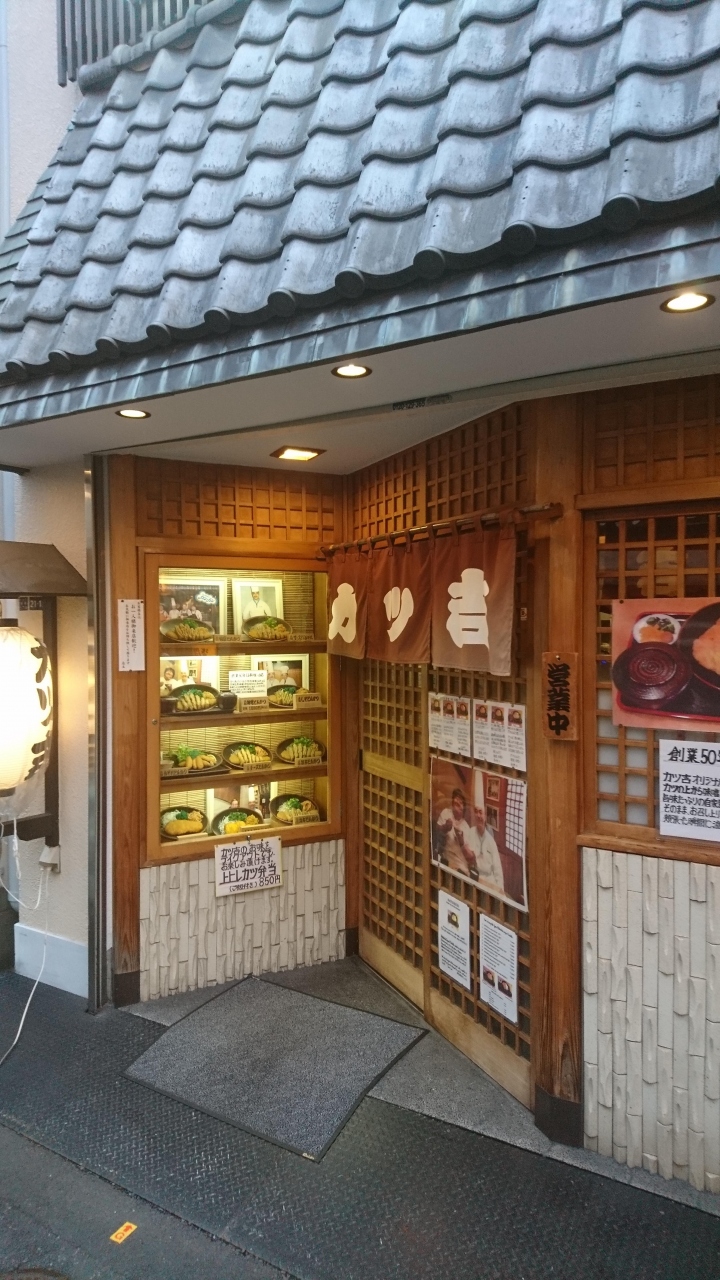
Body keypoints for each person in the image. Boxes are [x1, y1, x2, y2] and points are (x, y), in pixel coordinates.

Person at [435, 788, 475, 876]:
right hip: (446, 861)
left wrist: (462, 843)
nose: (458, 805)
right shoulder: (446, 813)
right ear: (452, 804)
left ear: (463, 807)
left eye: (461, 803)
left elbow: (471, 859)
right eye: (456, 802)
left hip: (461, 866)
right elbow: (436, 831)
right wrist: (445, 827)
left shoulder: (466, 828)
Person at [467, 805, 504, 891]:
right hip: (474, 878)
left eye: (480, 812)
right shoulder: (470, 833)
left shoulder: (491, 841)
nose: (478, 815)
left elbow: (497, 868)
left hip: (489, 881)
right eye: (476, 812)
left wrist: (500, 889)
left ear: (485, 815)